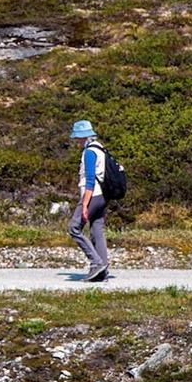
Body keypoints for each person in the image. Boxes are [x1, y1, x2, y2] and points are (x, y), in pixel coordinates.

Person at [69, 119, 110, 282]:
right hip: (102, 197)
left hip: (92, 195)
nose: (76, 140)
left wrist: (85, 204)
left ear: (83, 136)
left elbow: (90, 180)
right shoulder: (101, 149)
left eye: (77, 137)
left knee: (74, 228)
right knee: (96, 231)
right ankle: (103, 268)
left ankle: (96, 263)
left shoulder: (89, 152)